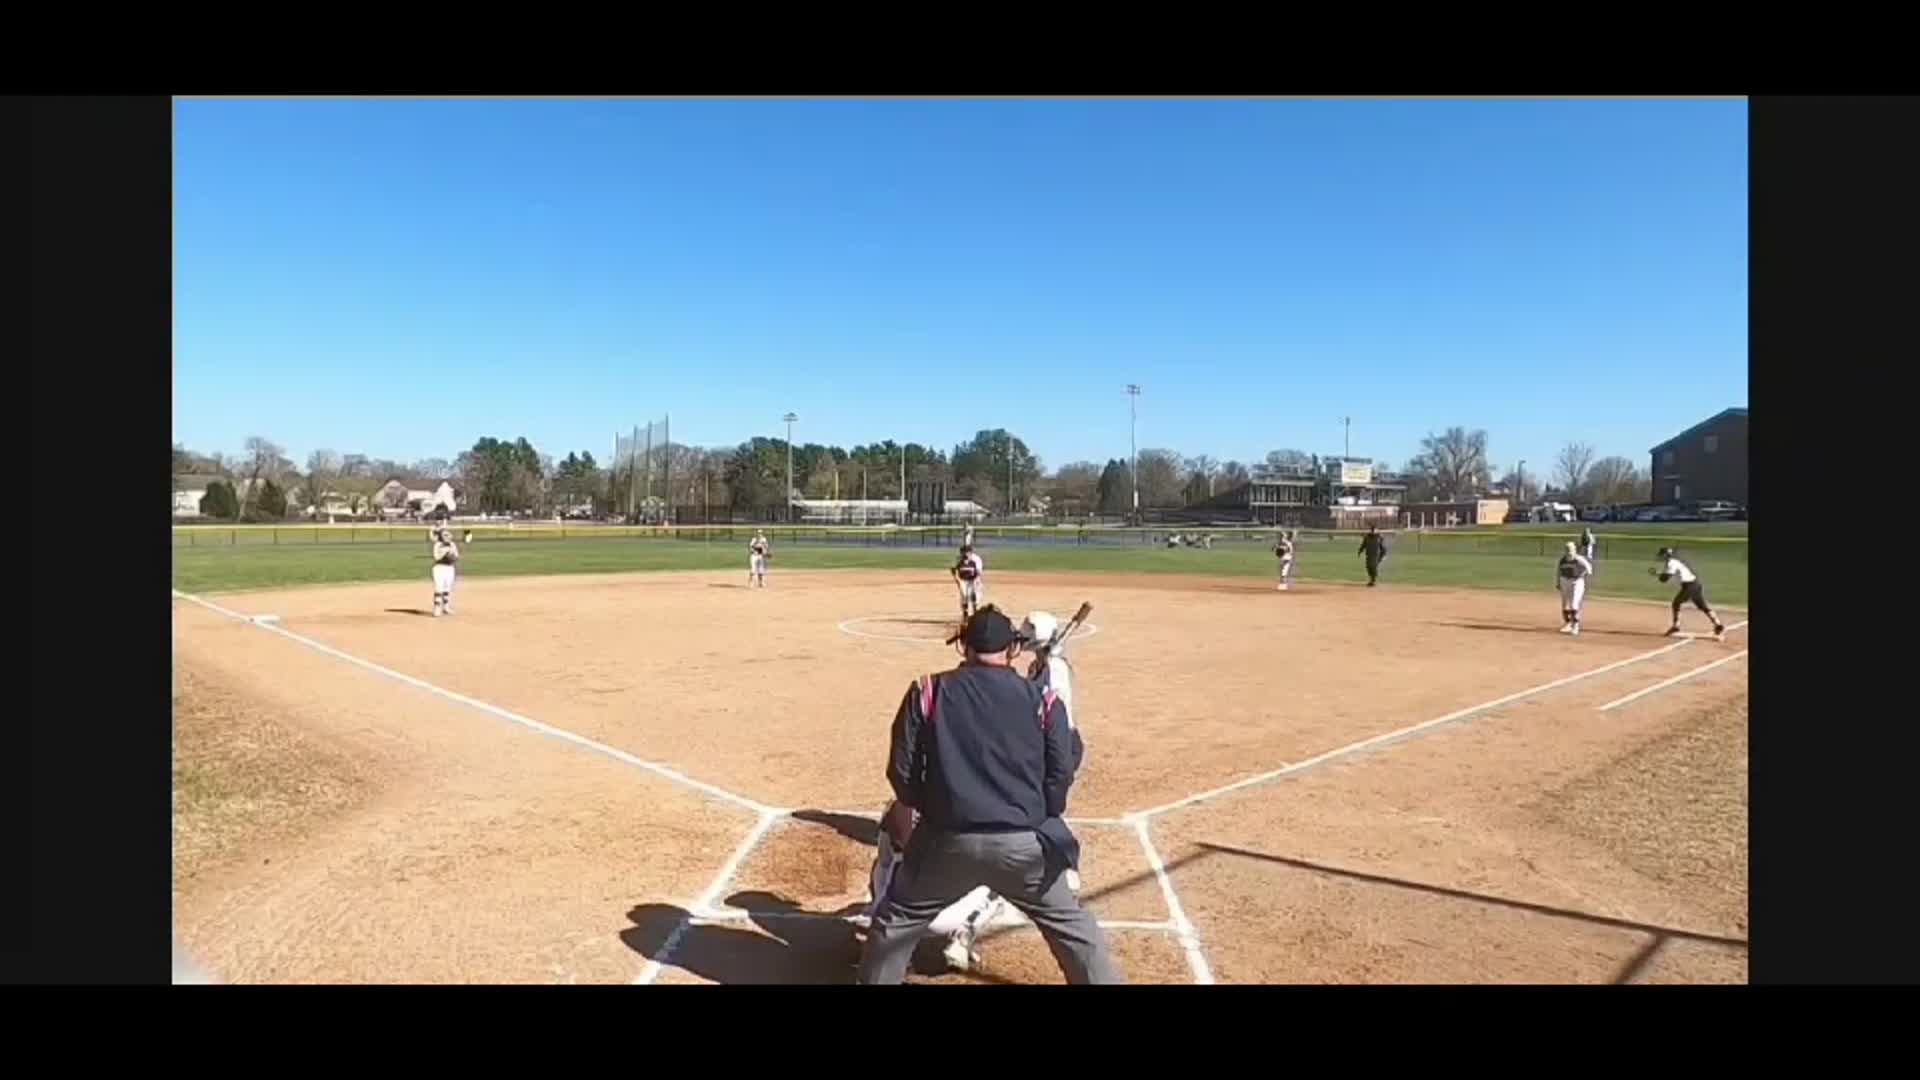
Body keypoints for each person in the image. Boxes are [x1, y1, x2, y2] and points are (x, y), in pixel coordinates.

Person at [857, 606, 1120, 985]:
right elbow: (1062, 767)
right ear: (1012, 649)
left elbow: (901, 771)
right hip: (1026, 845)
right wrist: (1045, 811)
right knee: (1075, 929)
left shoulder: (927, 690)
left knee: (895, 923)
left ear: (964, 646)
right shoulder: (1043, 700)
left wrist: (932, 811)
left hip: (946, 841)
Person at [1651, 547, 1727, 641]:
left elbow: (1665, 579)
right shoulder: (1673, 562)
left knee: (1676, 603)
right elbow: (1666, 576)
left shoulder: (1671, 563)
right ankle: (1718, 624)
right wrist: (1660, 574)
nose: (1660, 556)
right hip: (1695, 584)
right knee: (1702, 606)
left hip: (1689, 586)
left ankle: (1676, 626)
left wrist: (1658, 574)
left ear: (1666, 555)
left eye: (1662, 555)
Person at [1555, 540, 1595, 635]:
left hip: (1576, 582)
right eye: (1567, 548)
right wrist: (1558, 582)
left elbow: (1589, 569)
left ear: (1574, 549)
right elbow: (1559, 571)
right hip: (1564, 581)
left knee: (1574, 604)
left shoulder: (1578, 559)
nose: (1568, 550)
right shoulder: (1563, 560)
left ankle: (1575, 626)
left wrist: (1581, 575)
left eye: (1570, 548)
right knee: (1565, 604)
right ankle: (1567, 624)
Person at [430, 524, 460, 616]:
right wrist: (444, 552)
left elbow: (456, 556)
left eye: (448, 535)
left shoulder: (452, 544)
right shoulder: (438, 545)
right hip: (439, 568)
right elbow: (436, 557)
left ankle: (446, 607)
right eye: (444, 535)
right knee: (439, 588)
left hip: (450, 568)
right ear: (441, 536)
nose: (447, 537)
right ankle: (437, 608)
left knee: (447, 588)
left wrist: (452, 555)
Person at [952, 543, 985, 621]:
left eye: (965, 552)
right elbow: (955, 571)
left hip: (974, 579)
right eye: (963, 552)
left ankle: (975, 612)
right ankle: (965, 613)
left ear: (970, 552)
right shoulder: (959, 559)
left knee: (975, 596)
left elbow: (978, 573)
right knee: (964, 595)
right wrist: (958, 581)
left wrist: (976, 582)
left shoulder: (976, 559)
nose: (964, 554)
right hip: (963, 580)